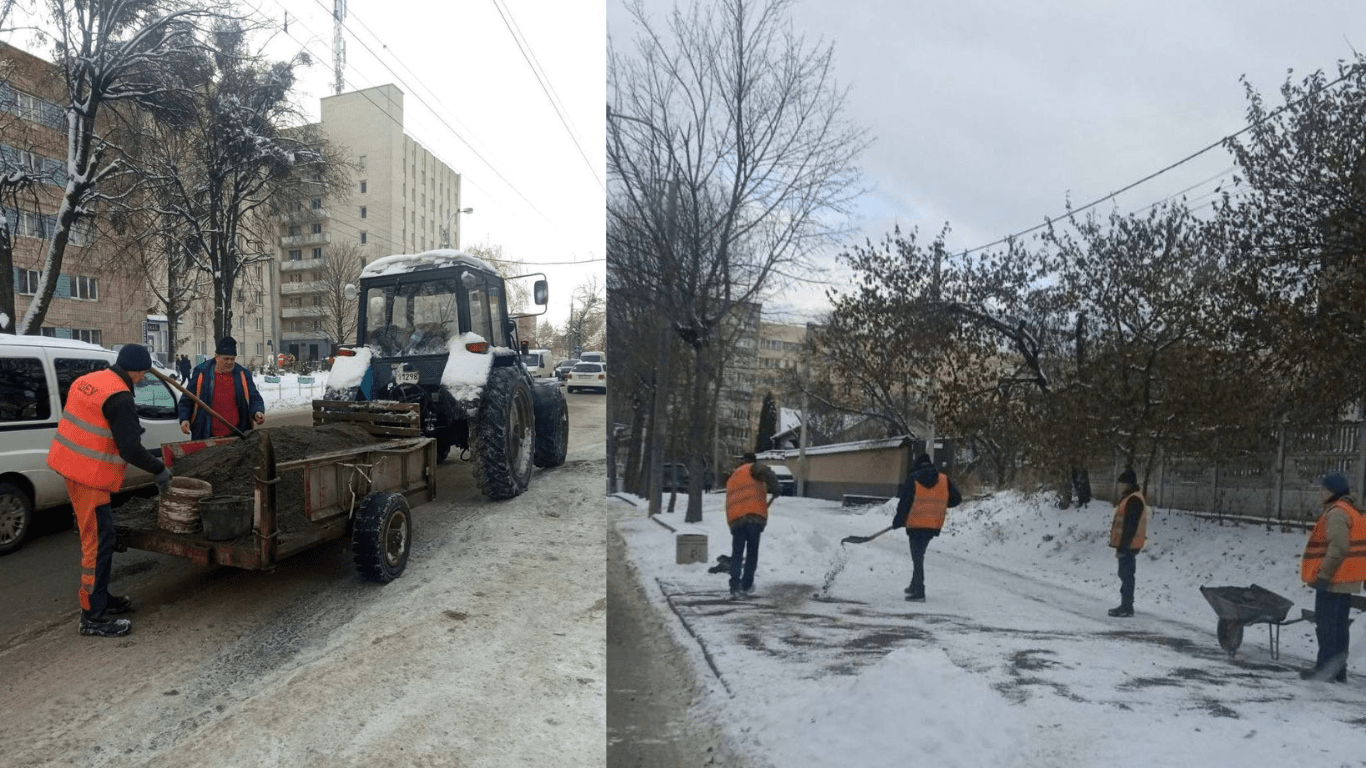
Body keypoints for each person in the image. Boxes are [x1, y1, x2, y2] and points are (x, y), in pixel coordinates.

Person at [47, 344, 172, 637]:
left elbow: (94, 422)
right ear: (136, 371)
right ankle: (93, 616)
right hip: (87, 476)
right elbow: (130, 449)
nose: (143, 378)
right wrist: (159, 469)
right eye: (142, 373)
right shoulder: (121, 397)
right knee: (98, 543)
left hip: (70, 464)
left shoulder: (91, 380)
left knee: (104, 537)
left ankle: (100, 597)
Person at [1299, 473, 1366, 682]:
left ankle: (1325, 669)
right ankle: (1338, 670)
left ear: (1332, 491)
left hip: (1333, 579)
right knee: (1339, 626)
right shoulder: (1353, 510)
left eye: (1323, 489)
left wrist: (1324, 575)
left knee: (1326, 625)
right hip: (1346, 579)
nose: (1321, 493)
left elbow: (1338, 547)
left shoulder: (1337, 512)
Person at [892, 453, 961, 602]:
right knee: (919, 555)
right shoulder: (944, 479)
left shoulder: (913, 478)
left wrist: (898, 521)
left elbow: (905, 502)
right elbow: (956, 499)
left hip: (915, 524)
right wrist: (940, 503)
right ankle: (914, 585)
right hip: (933, 524)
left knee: (917, 557)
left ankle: (919, 591)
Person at [178, 336, 265, 439]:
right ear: (216, 357)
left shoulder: (242, 374)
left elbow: (254, 397)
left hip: (238, 436)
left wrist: (258, 411)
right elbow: (187, 399)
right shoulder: (202, 373)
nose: (229, 362)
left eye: (232, 359)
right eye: (226, 359)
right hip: (206, 435)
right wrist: (185, 419)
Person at [725, 453, 781, 599]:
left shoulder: (733, 476)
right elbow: (767, 472)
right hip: (753, 518)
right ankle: (746, 585)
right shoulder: (752, 468)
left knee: (737, 554)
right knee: (751, 553)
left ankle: (734, 586)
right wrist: (776, 488)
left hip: (736, 520)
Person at [1107, 468, 1149, 617]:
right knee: (1125, 574)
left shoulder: (1133, 500)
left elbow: (1129, 527)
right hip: (1129, 544)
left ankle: (1127, 607)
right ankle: (1125, 605)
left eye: (1121, 483)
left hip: (1129, 545)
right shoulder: (1130, 498)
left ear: (1127, 484)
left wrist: (1122, 547)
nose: (1119, 486)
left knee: (1127, 575)